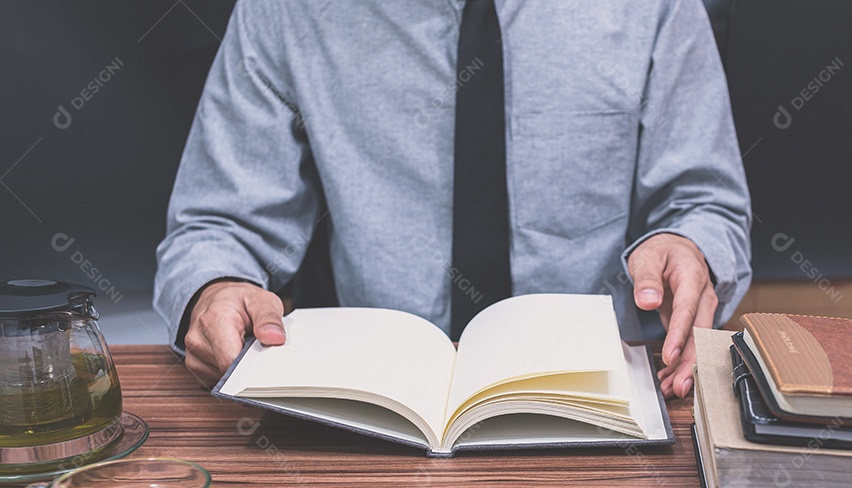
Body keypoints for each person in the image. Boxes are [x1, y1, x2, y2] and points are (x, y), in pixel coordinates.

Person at [154, 0, 751, 398]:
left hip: (601, 399)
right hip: (374, 411)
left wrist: (690, 247)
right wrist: (213, 291)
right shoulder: (286, 11)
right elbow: (215, 225)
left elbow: (706, 203)